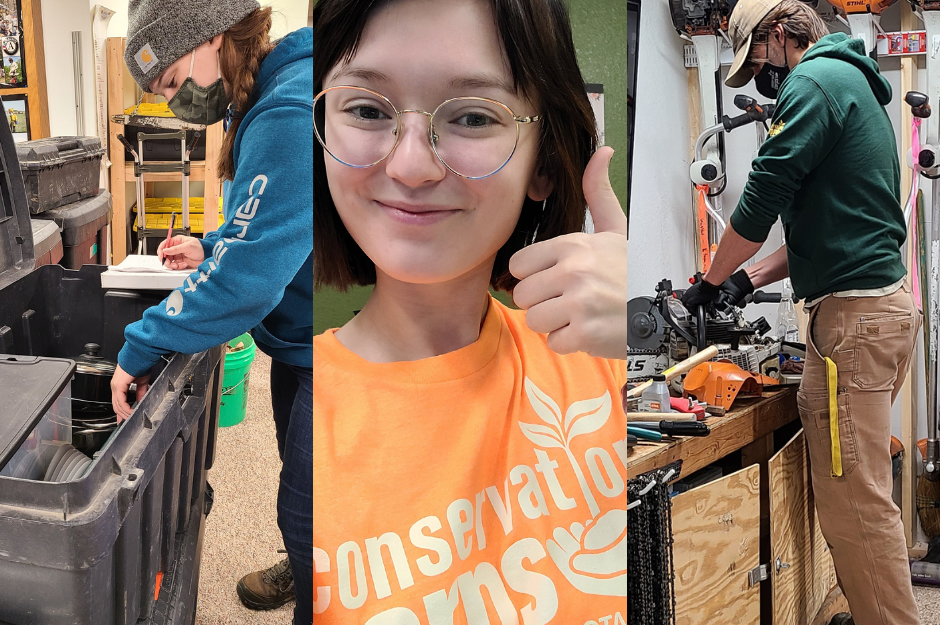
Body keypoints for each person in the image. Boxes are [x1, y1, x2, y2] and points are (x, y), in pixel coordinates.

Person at [311, 0, 628, 622]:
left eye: (475, 117)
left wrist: (648, 336)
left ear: (544, 162)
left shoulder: (604, 358)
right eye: (368, 109)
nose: (410, 166)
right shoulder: (306, 410)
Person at [681, 1, 920, 623]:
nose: (760, 78)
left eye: (757, 59)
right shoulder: (848, 82)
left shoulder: (814, 81)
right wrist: (741, 280)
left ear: (781, 35)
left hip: (853, 321)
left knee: (857, 501)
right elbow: (831, 225)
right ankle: (867, 608)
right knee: (848, 486)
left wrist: (704, 285)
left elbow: (762, 196)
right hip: (866, 311)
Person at [108, 0, 313, 620]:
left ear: (211, 36)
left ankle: (319, 581)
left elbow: (247, 286)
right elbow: (277, 228)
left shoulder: (284, 110)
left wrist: (138, 345)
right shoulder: (269, 92)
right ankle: (308, 565)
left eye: (171, 82)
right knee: (307, 488)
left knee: (310, 509)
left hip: (340, 349)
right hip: (301, 341)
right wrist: (214, 245)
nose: (174, 103)